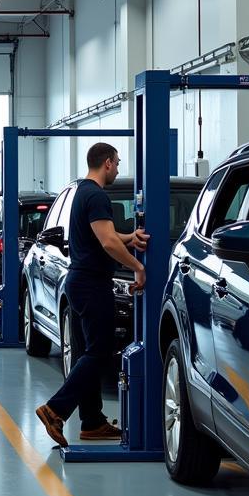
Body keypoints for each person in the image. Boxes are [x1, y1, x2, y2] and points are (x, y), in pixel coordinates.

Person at [35, 143, 148, 447]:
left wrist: (130, 237)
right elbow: (109, 243)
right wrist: (138, 267)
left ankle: (93, 422)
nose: (119, 168)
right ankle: (55, 409)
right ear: (108, 163)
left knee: (88, 351)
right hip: (92, 284)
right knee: (100, 352)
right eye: (118, 163)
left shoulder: (82, 192)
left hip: (79, 282)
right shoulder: (97, 195)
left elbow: (103, 236)